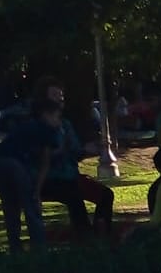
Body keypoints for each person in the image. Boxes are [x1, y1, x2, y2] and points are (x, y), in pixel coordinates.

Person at [37, 82, 114, 239]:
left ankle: (102, 234)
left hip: (71, 176)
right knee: (74, 195)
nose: (59, 100)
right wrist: (61, 151)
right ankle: (85, 236)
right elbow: (39, 157)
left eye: (61, 97)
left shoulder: (66, 124)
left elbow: (76, 152)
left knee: (106, 195)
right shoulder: (36, 126)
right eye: (54, 96)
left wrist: (89, 149)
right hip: (48, 179)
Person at [0, 98, 63, 253]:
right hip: (15, 164)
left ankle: (15, 248)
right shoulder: (47, 130)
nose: (58, 121)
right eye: (56, 117)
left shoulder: (27, 126)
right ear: (45, 115)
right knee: (31, 205)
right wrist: (37, 190)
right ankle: (39, 248)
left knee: (10, 207)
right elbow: (45, 163)